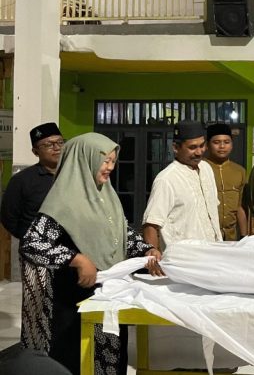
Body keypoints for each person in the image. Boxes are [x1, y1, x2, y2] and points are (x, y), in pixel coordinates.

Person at [20, 133, 163, 375]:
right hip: (72, 302)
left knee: (109, 357)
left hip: (108, 294)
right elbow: (32, 244)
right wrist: (76, 259)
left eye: (113, 161)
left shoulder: (106, 196)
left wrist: (145, 249)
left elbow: (122, 233)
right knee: (76, 359)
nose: (110, 167)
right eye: (104, 161)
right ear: (83, 161)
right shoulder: (62, 203)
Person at [0, 122, 64, 351]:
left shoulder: (73, 177)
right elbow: (9, 217)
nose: (56, 148)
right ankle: (35, 356)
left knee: (63, 309)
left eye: (59, 142)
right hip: (36, 257)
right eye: (48, 144)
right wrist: (32, 240)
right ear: (35, 151)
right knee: (36, 310)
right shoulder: (23, 180)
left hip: (70, 255)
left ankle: (61, 353)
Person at [143, 120, 222, 248]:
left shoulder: (206, 168)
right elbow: (151, 225)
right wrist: (152, 257)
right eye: (192, 147)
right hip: (183, 261)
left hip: (213, 254)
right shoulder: (167, 179)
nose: (199, 152)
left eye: (202, 145)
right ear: (175, 148)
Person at [205, 123, 248, 241]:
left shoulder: (239, 171)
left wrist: (244, 236)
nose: (222, 146)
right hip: (207, 236)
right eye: (216, 142)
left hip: (231, 237)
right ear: (207, 145)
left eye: (226, 142)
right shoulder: (200, 168)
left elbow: (239, 207)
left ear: (232, 145)